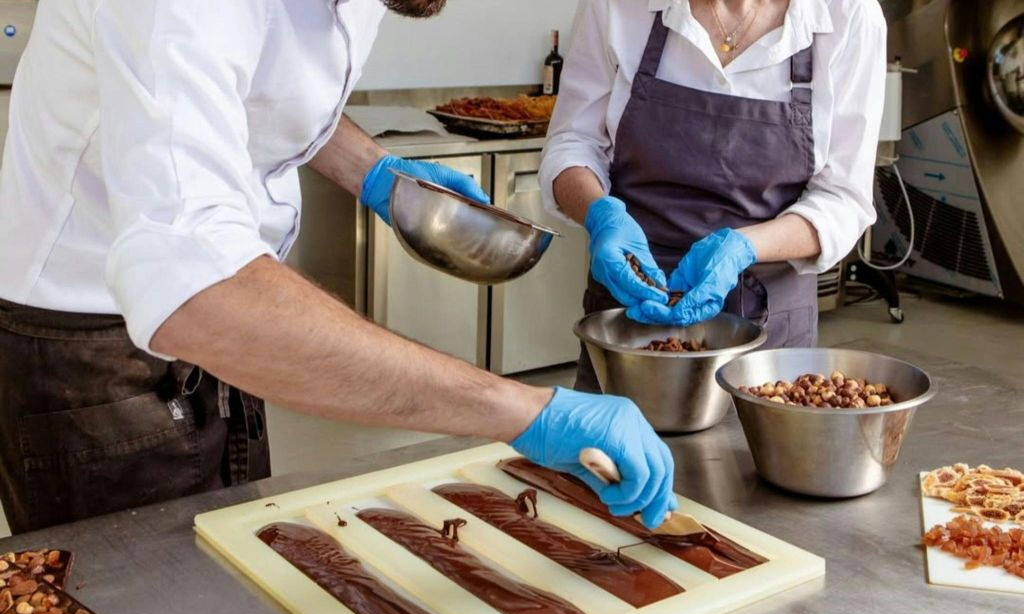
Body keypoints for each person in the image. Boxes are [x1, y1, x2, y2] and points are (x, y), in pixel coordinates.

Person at [0, 0, 675, 534]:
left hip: (219, 330)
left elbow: (271, 98)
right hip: (89, 349)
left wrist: (376, 173)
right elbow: (195, 288)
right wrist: (522, 408)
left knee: (231, 581)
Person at [539, 0, 887, 391]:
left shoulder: (848, 15)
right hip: (627, 321)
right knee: (605, 453)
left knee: (746, 454)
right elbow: (573, 142)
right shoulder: (618, 6)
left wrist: (744, 247)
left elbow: (844, 198)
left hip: (768, 339)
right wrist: (601, 215)